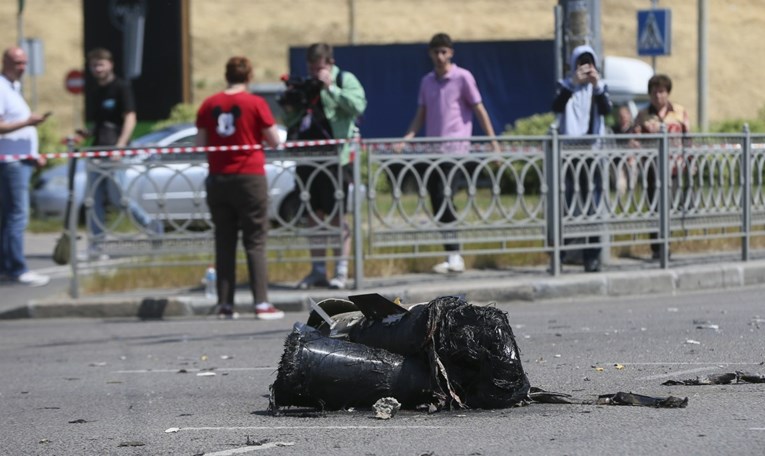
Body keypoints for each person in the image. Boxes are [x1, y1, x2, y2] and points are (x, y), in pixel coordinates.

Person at [400, 32, 499, 274]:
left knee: (444, 196)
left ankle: (455, 255)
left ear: (451, 53)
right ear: (430, 54)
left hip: (455, 150)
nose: (440, 57)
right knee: (436, 199)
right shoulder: (427, 81)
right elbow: (421, 114)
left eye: (444, 52)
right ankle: (451, 253)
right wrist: (408, 137)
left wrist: (493, 141)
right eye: (436, 52)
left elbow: (479, 110)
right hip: (434, 151)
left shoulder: (463, 77)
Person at [195, 55, 284, 320]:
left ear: (226, 75)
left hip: (218, 178)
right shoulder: (255, 103)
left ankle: (225, 305)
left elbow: (201, 143)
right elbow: (274, 140)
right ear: (249, 76)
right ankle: (261, 303)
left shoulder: (209, 104)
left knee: (224, 241)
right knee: (255, 241)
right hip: (249, 177)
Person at [283, 43, 367, 290]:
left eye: (318, 68)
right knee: (313, 215)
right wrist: (291, 104)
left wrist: (330, 87)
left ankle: (341, 270)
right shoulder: (307, 83)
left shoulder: (344, 78)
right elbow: (291, 119)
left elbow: (358, 107)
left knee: (336, 215)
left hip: (337, 158)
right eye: (311, 68)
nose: (314, 73)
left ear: (329, 64)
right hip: (308, 158)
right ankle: (317, 269)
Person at [81, 48, 162, 254]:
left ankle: (152, 225)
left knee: (120, 199)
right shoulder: (96, 90)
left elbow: (130, 117)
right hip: (97, 150)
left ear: (110, 65)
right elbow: (102, 123)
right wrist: (86, 133)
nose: (97, 69)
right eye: (94, 65)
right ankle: (97, 244)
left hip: (115, 151)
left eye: (101, 64)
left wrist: (120, 146)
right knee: (94, 200)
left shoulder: (121, 87)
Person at [552, 44, 613, 273]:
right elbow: (556, 106)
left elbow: (607, 111)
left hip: (593, 153)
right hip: (570, 153)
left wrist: (596, 86)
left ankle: (592, 257)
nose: (586, 69)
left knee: (593, 206)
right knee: (567, 203)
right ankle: (561, 253)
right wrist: (573, 84)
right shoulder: (565, 86)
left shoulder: (600, 88)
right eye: (582, 64)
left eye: (590, 64)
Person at [0, 47, 51, 287]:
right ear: (6, 62)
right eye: (18, 62)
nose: (22, 67)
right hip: (11, 163)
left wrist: (33, 153)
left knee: (9, 216)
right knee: (17, 216)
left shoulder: (13, 88)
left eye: (25, 63)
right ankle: (17, 268)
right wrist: (28, 122)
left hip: (21, 159)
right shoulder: (1, 87)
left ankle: (6, 267)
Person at [633, 74, 690, 260]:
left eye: (662, 91)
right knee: (654, 207)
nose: (658, 96)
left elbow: (688, 138)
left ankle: (667, 244)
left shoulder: (679, 112)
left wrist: (690, 161)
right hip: (652, 169)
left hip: (674, 168)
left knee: (671, 206)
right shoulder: (643, 115)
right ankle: (657, 248)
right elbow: (635, 138)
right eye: (655, 92)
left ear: (668, 93)